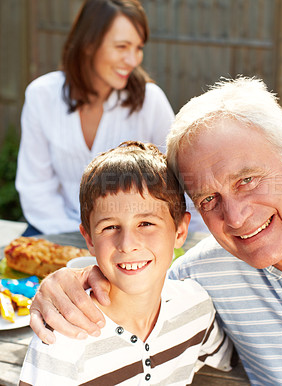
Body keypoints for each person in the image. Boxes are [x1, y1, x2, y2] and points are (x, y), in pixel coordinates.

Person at [29, 78, 282, 385]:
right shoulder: (208, 271)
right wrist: (69, 280)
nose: (236, 217)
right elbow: (137, 272)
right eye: (208, 199)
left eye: (247, 180)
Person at [19, 141, 232, 385]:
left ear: (180, 231)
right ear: (88, 238)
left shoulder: (196, 308)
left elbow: (231, 360)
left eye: (146, 223)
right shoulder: (62, 338)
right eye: (110, 227)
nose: (128, 244)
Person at [16, 0, 207, 236]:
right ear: (88, 44)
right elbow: (36, 186)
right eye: (122, 46)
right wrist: (79, 242)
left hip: (130, 237)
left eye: (138, 47)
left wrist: (192, 243)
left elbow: (183, 182)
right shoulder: (41, 95)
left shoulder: (150, 101)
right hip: (53, 229)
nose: (133, 59)